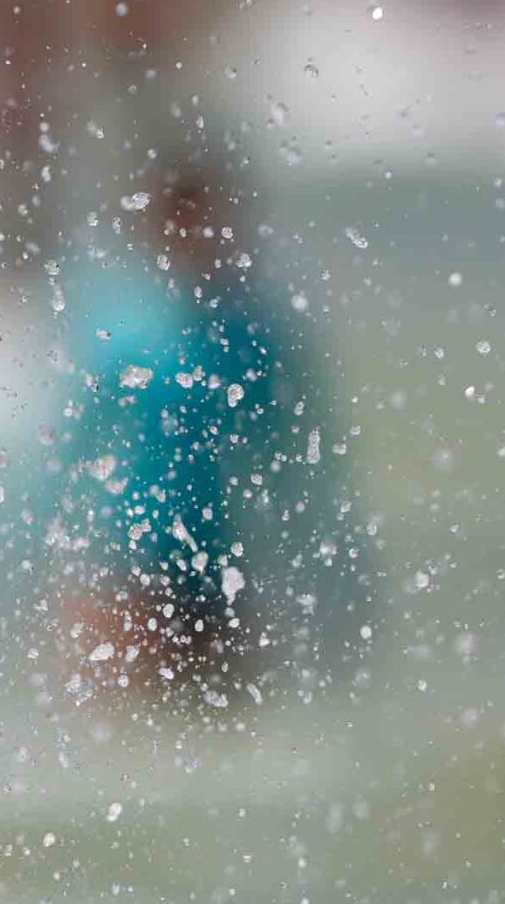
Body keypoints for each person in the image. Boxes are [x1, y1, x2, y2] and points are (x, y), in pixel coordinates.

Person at [47, 163, 357, 706]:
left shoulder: (258, 336)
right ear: (156, 231)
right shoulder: (118, 329)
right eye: (181, 223)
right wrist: (57, 574)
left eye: (207, 221)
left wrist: (330, 580)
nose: (196, 237)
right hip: (126, 565)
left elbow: (298, 465)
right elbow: (66, 455)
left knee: (220, 754)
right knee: (125, 744)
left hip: (222, 566)